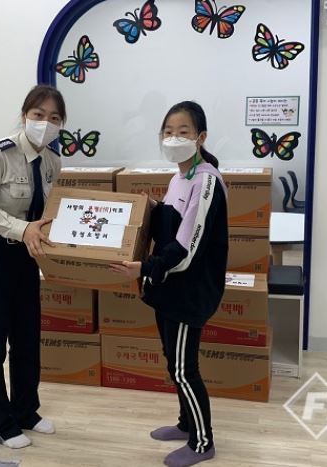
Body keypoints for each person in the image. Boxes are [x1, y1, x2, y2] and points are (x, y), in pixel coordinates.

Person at [111, 101, 228, 467]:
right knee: (173, 361)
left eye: (183, 132)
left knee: (183, 369)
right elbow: (172, 220)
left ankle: (202, 442)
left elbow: (188, 246)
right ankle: (185, 423)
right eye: (168, 132)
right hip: (169, 287)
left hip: (188, 290)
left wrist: (146, 268)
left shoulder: (206, 180)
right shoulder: (180, 176)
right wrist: (149, 207)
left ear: (200, 137)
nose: (174, 138)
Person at [0, 85, 65, 449]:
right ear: (25, 116)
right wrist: (22, 229)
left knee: (26, 338)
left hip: (25, 258)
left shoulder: (52, 162)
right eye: (38, 115)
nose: (45, 123)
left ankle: (25, 410)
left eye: (54, 118)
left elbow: (51, 213)